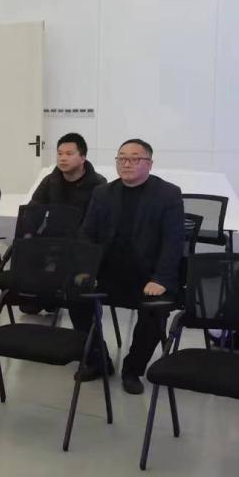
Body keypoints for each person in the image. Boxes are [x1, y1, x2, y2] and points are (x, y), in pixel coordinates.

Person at [69, 138, 184, 395]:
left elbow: (173, 242)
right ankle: (98, 359)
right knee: (75, 294)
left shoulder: (168, 194)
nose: (126, 164)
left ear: (149, 164)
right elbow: (86, 235)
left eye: (134, 159)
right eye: (122, 158)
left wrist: (161, 279)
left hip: (149, 275)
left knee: (155, 311)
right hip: (110, 272)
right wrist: (87, 270)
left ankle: (133, 369)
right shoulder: (103, 193)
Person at [30, 132, 107, 211]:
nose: (63, 158)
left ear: (83, 158)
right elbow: (32, 210)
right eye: (60, 154)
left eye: (69, 154)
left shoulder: (98, 184)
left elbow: (100, 215)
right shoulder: (50, 181)